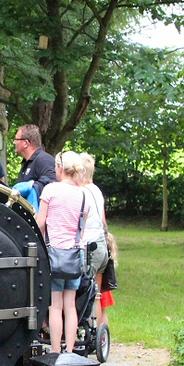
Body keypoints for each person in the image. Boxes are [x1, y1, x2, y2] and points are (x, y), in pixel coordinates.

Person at [35, 151, 88, 354]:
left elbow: (41, 222)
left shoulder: (50, 190)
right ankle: (71, 350)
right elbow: (81, 228)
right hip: (75, 254)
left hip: (54, 254)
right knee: (71, 305)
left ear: (59, 168)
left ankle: (56, 350)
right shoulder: (83, 194)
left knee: (55, 306)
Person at [78, 153, 109, 326]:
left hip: (88, 248)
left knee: (83, 292)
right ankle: (97, 331)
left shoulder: (81, 193)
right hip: (101, 245)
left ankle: (86, 329)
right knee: (96, 294)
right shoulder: (96, 190)